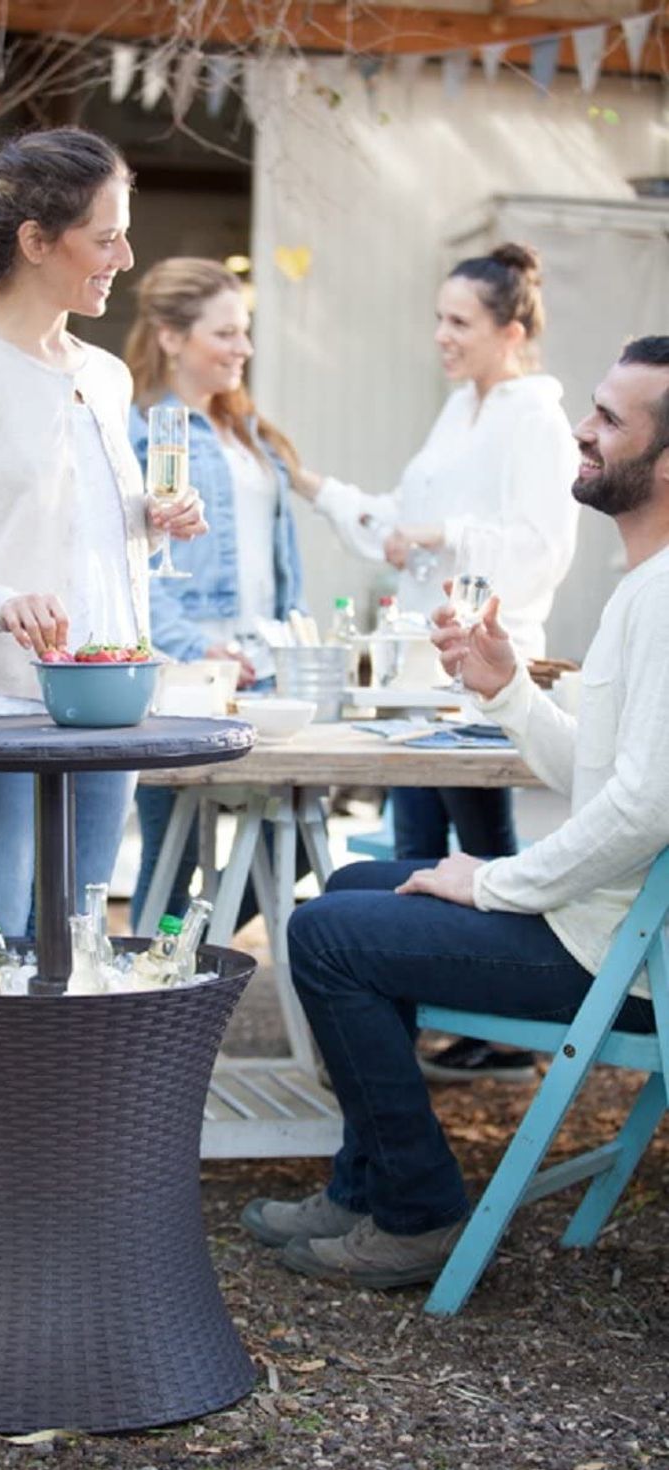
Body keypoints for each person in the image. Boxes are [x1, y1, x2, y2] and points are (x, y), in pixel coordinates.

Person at [240, 336, 669, 1289]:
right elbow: (604, 776)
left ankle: (419, 1210)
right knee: (350, 887)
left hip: (620, 956)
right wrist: (508, 689)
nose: (581, 430)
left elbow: (648, 807)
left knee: (324, 937)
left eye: (608, 419)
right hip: (601, 924)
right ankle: (364, 1185)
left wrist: (499, 883)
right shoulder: (646, 585)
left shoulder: (666, 597)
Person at [0, 129, 205, 1337]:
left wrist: (151, 523)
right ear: (35, 240)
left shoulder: (105, 378)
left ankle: (46, 1228)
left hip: (104, 712)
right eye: (105, 234)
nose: (124, 255)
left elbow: (78, 537)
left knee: (77, 961)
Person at [293, 243, 580, 1083]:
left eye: (459, 322)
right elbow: (403, 520)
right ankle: (403, 1020)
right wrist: (317, 487)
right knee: (421, 836)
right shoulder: (459, 410)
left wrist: (442, 535)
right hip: (422, 669)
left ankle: (493, 1024)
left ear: (511, 332)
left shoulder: (537, 422)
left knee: (476, 838)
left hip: (487, 669)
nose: (441, 336)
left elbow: (542, 550)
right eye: (438, 319)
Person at [124, 258, 306, 929]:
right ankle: (154, 983)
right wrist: (195, 645)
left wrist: (296, 640)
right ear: (171, 337)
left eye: (244, 331)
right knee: (170, 852)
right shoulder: (141, 431)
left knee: (294, 826)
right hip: (184, 674)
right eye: (225, 333)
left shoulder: (247, 430)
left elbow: (281, 560)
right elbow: (130, 567)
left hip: (264, 666)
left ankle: (192, 947)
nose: (243, 348)